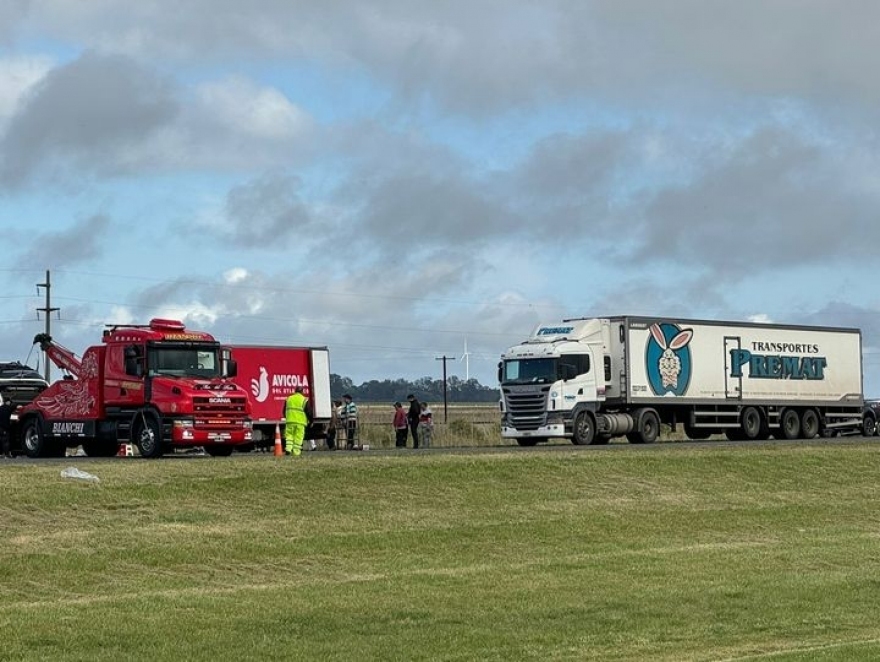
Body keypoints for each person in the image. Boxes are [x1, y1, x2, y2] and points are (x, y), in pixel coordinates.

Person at [283, 386, 310, 456]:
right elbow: (308, 412)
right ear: (302, 391)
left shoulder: (289, 398)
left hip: (290, 421)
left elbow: (284, 410)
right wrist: (311, 420)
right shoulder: (304, 399)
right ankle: (296, 452)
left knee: (289, 436)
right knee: (298, 437)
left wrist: (287, 417)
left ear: (295, 391)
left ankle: (288, 449)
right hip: (300, 422)